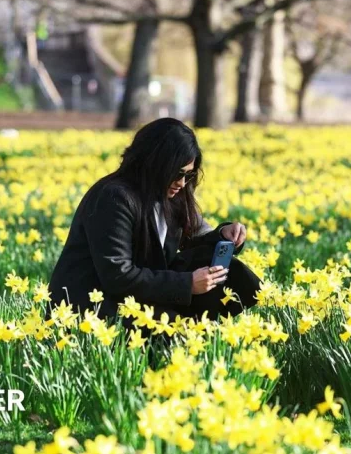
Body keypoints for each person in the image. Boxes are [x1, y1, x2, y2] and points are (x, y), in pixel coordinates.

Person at [48, 118, 260, 324]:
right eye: (177, 173)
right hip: (90, 306)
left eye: (188, 175)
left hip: (135, 297)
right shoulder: (114, 198)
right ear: (154, 163)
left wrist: (223, 235)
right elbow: (117, 276)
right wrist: (187, 284)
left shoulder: (171, 194)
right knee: (182, 335)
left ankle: (198, 323)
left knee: (218, 266)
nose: (182, 183)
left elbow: (196, 235)